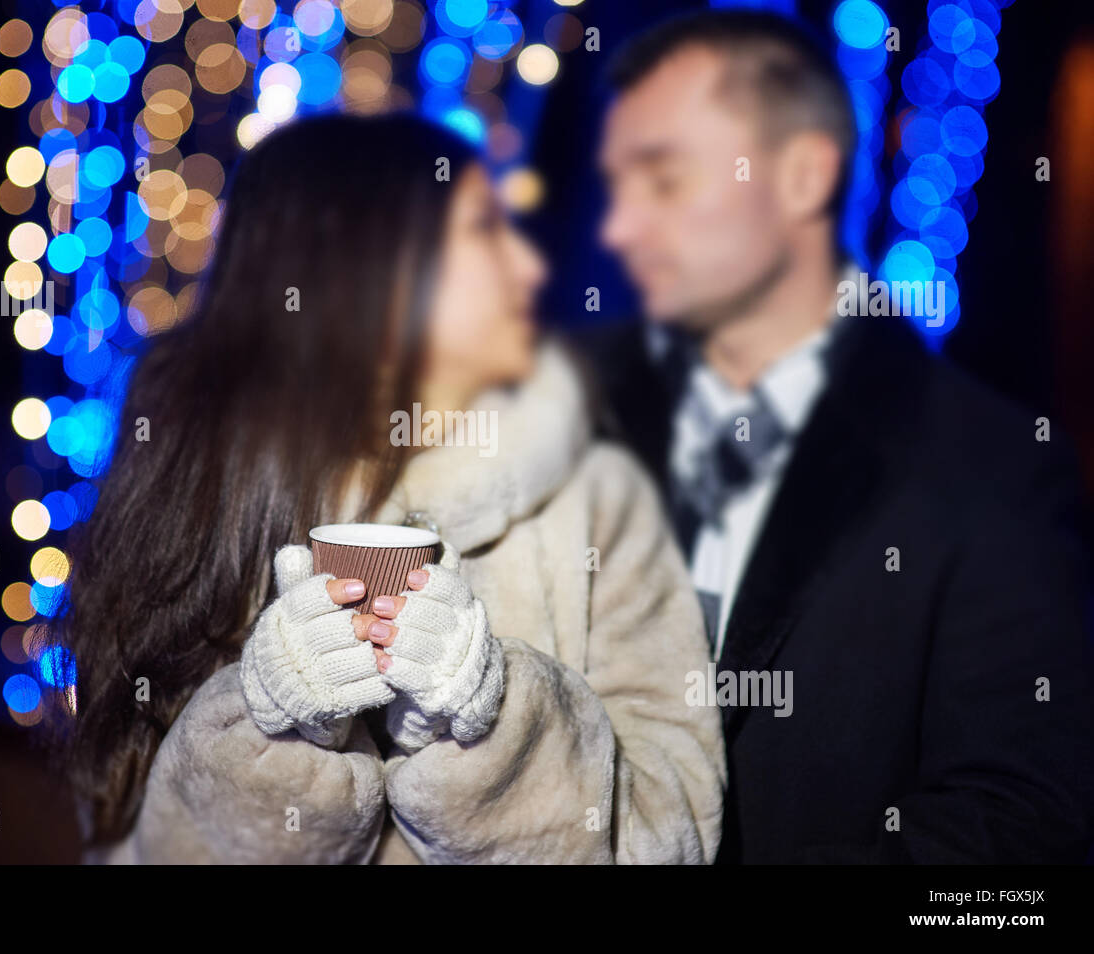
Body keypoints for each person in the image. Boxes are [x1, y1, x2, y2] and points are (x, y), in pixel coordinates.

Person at [46, 113, 725, 864]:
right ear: (376, 268)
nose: (530, 269)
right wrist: (269, 727)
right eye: (485, 229)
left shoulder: (597, 497)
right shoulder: (205, 486)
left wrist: (493, 724)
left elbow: (678, 830)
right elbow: (128, 848)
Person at [583, 9, 1094, 862]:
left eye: (664, 180)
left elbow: (1018, 824)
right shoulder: (570, 408)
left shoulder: (990, 465)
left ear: (801, 178)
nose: (620, 228)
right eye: (618, 186)